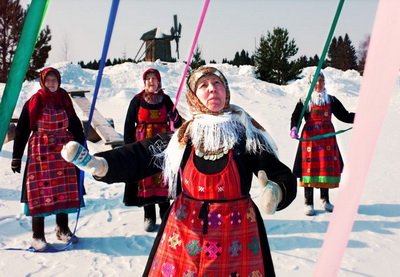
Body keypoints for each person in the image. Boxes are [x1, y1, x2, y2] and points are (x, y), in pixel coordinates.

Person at [61, 66, 297, 276]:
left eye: (217, 84)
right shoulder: (183, 137)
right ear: (194, 96)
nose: (212, 89)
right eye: (204, 85)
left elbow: (278, 172)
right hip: (186, 231)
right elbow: (142, 155)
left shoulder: (246, 134)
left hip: (236, 232)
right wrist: (101, 164)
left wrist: (277, 191)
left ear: (226, 91)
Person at [11, 67, 85, 251]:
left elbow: (75, 124)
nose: (52, 83)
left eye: (55, 80)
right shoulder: (34, 102)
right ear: (42, 82)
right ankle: (38, 236)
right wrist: (16, 157)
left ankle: (62, 229)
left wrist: (82, 148)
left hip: (63, 151)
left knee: (64, 188)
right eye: (49, 80)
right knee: (40, 192)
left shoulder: (64, 99)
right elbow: (21, 131)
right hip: (40, 152)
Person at [123, 68, 182, 232]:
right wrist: (130, 148)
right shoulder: (137, 101)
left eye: (154, 78)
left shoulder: (166, 100)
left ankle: (165, 216)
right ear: (144, 82)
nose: (151, 81)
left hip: (163, 147)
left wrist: (174, 118)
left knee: (163, 179)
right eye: (148, 79)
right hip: (143, 147)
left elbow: (178, 124)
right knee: (146, 178)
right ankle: (149, 217)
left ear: (159, 82)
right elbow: (129, 125)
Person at [290, 71, 355, 216]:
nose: (318, 84)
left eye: (321, 81)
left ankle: (325, 200)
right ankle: (308, 202)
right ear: (310, 84)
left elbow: (344, 115)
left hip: (327, 139)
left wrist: (359, 117)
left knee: (324, 167)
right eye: (315, 81)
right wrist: (294, 127)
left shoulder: (331, 100)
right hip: (310, 139)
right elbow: (296, 117)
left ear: (324, 83)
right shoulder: (305, 100)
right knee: (310, 168)